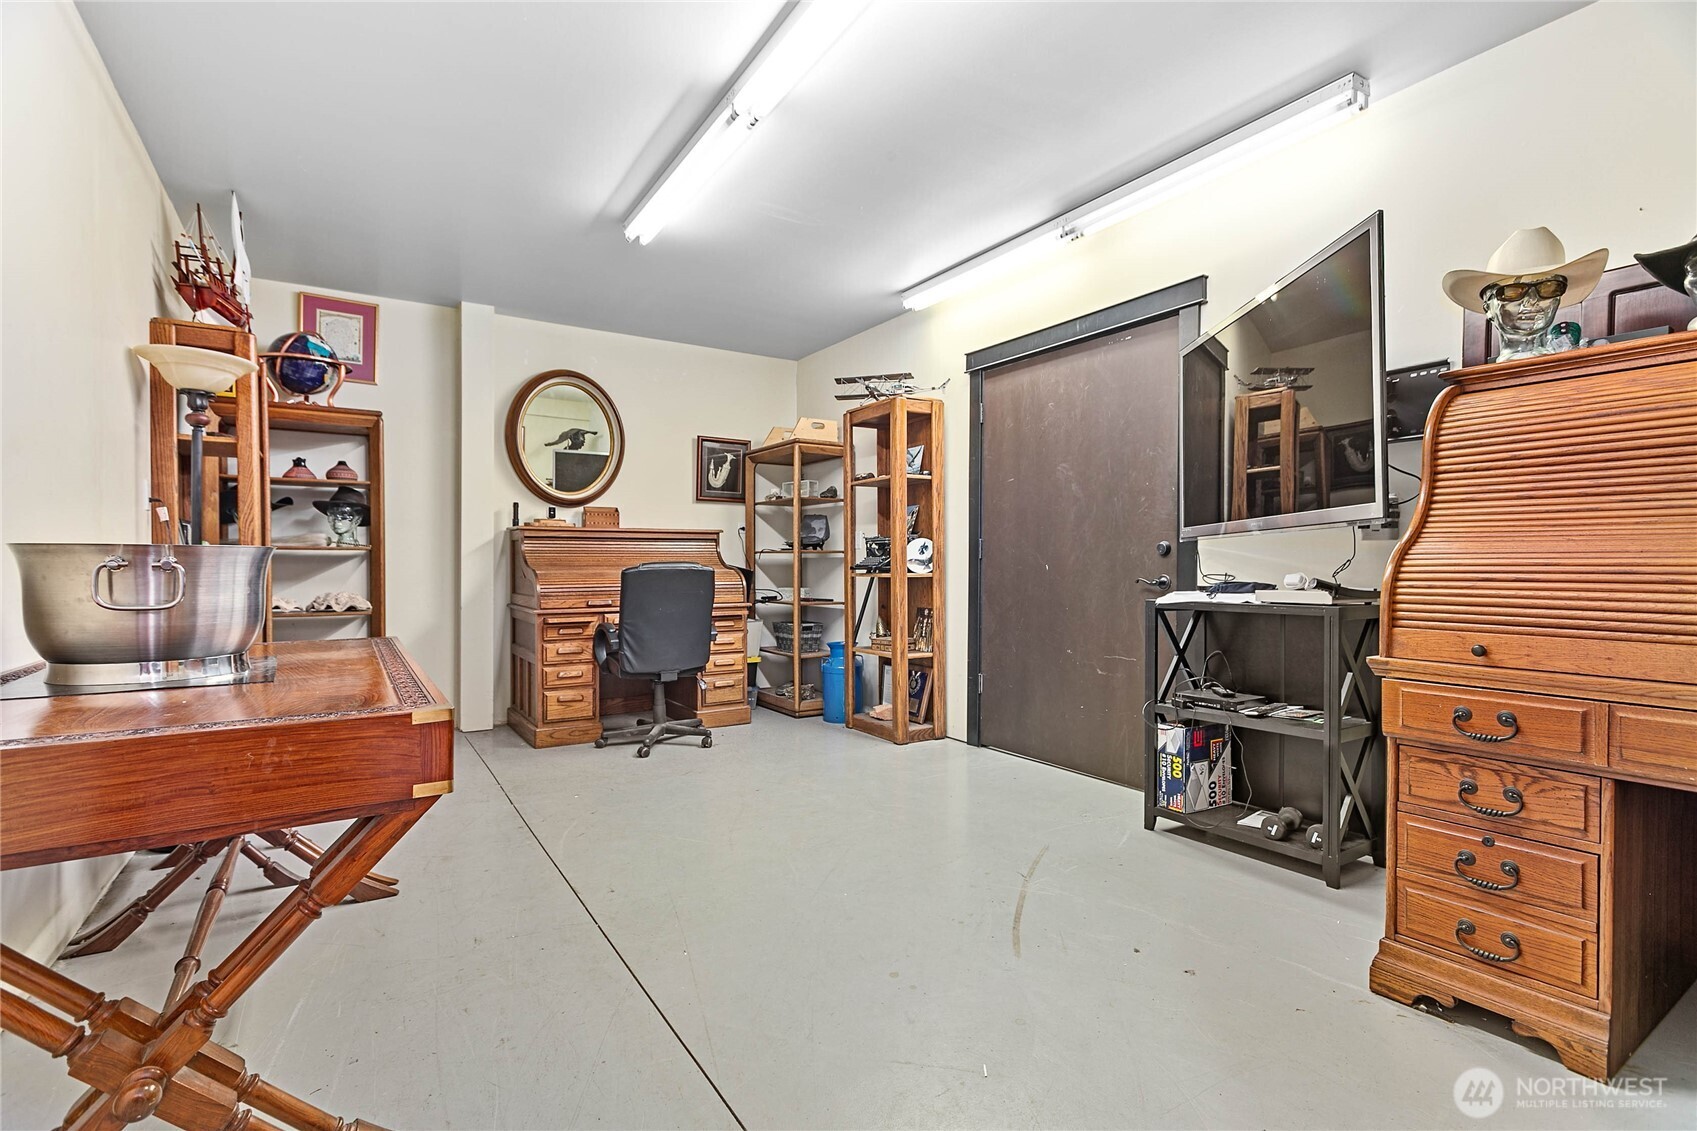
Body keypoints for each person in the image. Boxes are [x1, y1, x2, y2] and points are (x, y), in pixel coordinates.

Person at [1442, 228, 1607, 361]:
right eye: (1513, 292)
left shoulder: (1579, 374)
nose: (1532, 301)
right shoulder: (1468, 392)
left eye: (1548, 288)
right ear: (1489, 308)